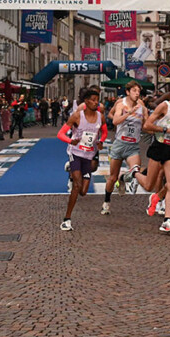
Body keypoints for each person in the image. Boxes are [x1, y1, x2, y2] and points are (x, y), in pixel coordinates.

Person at [131, 81, 170, 234]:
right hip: (158, 146)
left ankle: (167, 220)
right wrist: (164, 129)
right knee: (149, 185)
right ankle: (134, 173)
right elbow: (147, 125)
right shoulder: (164, 106)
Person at [57, 88, 107, 231]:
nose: (95, 102)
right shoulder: (77, 116)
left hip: (89, 155)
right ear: (86, 101)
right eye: (92, 99)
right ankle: (67, 219)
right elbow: (60, 134)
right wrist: (70, 140)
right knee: (77, 185)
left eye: (97, 100)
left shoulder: (100, 117)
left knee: (84, 192)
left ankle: (70, 169)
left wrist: (101, 141)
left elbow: (103, 131)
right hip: (75, 153)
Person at [101, 81, 146, 214]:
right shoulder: (121, 104)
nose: (137, 93)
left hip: (133, 146)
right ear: (128, 92)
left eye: (138, 91)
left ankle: (123, 178)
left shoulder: (142, 105)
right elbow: (114, 120)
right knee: (112, 177)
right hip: (120, 144)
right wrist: (128, 114)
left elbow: (146, 122)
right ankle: (106, 202)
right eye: (134, 91)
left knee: (135, 171)